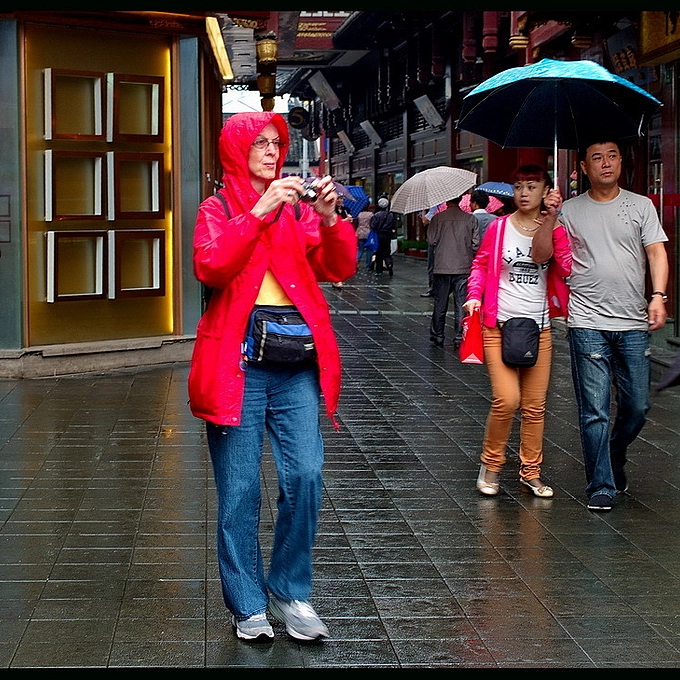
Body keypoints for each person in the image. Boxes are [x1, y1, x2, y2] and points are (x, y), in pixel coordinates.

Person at [188, 112, 357, 642]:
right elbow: (211, 266)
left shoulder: (297, 210)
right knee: (239, 491)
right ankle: (247, 604)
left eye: (275, 143)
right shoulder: (217, 209)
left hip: (294, 363)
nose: (269, 151)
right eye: (258, 143)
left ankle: (290, 590)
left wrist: (329, 219)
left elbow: (337, 268)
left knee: (305, 474)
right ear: (236, 150)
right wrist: (258, 213)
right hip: (237, 364)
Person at [556, 139, 669, 512]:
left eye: (612, 156)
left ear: (621, 162)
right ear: (584, 167)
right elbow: (544, 254)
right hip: (586, 320)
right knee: (595, 409)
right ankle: (600, 483)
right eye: (597, 157)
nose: (606, 163)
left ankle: (615, 452)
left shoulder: (641, 205)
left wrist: (658, 296)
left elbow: (656, 251)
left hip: (632, 320)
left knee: (637, 405)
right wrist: (550, 215)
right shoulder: (569, 210)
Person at [463, 164, 571, 499]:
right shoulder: (499, 227)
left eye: (532, 186)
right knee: (507, 399)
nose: (524, 193)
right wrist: (474, 295)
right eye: (519, 186)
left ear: (546, 191)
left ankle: (531, 473)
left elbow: (567, 267)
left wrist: (553, 222)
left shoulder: (556, 227)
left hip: (539, 330)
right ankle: (491, 465)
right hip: (498, 326)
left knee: (535, 407)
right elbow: (481, 264)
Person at [427, 195, 480, 348]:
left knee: (440, 303)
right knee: (460, 303)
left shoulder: (437, 218)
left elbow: (431, 240)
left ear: (447, 201)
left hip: (442, 266)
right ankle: (459, 336)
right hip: (463, 266)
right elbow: (476, 244)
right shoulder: (471, 219)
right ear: (461, 200)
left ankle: (438, 335)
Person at [370, 197, 397, 277]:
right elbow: (394, 226)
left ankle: (379, 270)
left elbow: (373, 226)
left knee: (379, 253)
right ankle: (389, 264)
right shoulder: (390, 215)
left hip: (379, 235)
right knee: (387, 252)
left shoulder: (376, 215)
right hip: (387, 235)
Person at [331, 195, 352, 288]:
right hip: (334, 236)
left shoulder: (346, 209)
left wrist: (350, 220)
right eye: (338, 198)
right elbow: (332, 223)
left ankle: (338, 277)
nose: (340, 200)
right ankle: (336, 279)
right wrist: (344, 220)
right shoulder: (331, 209)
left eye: (341, 198)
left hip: (344, 235)